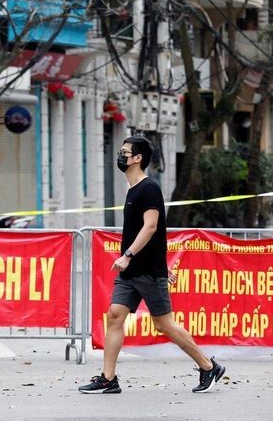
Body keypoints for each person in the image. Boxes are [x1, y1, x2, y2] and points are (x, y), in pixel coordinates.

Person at [79, 136, 226, 394]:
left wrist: (129, 255)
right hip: (133, 270)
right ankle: (108, 378)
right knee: (115, 315)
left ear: (138, 158)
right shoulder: (133, 189)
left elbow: (151, 227)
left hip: (145, 269)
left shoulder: (149, 188)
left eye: (125, 152)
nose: (120, 156)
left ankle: (207, 366)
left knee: (163, 324)